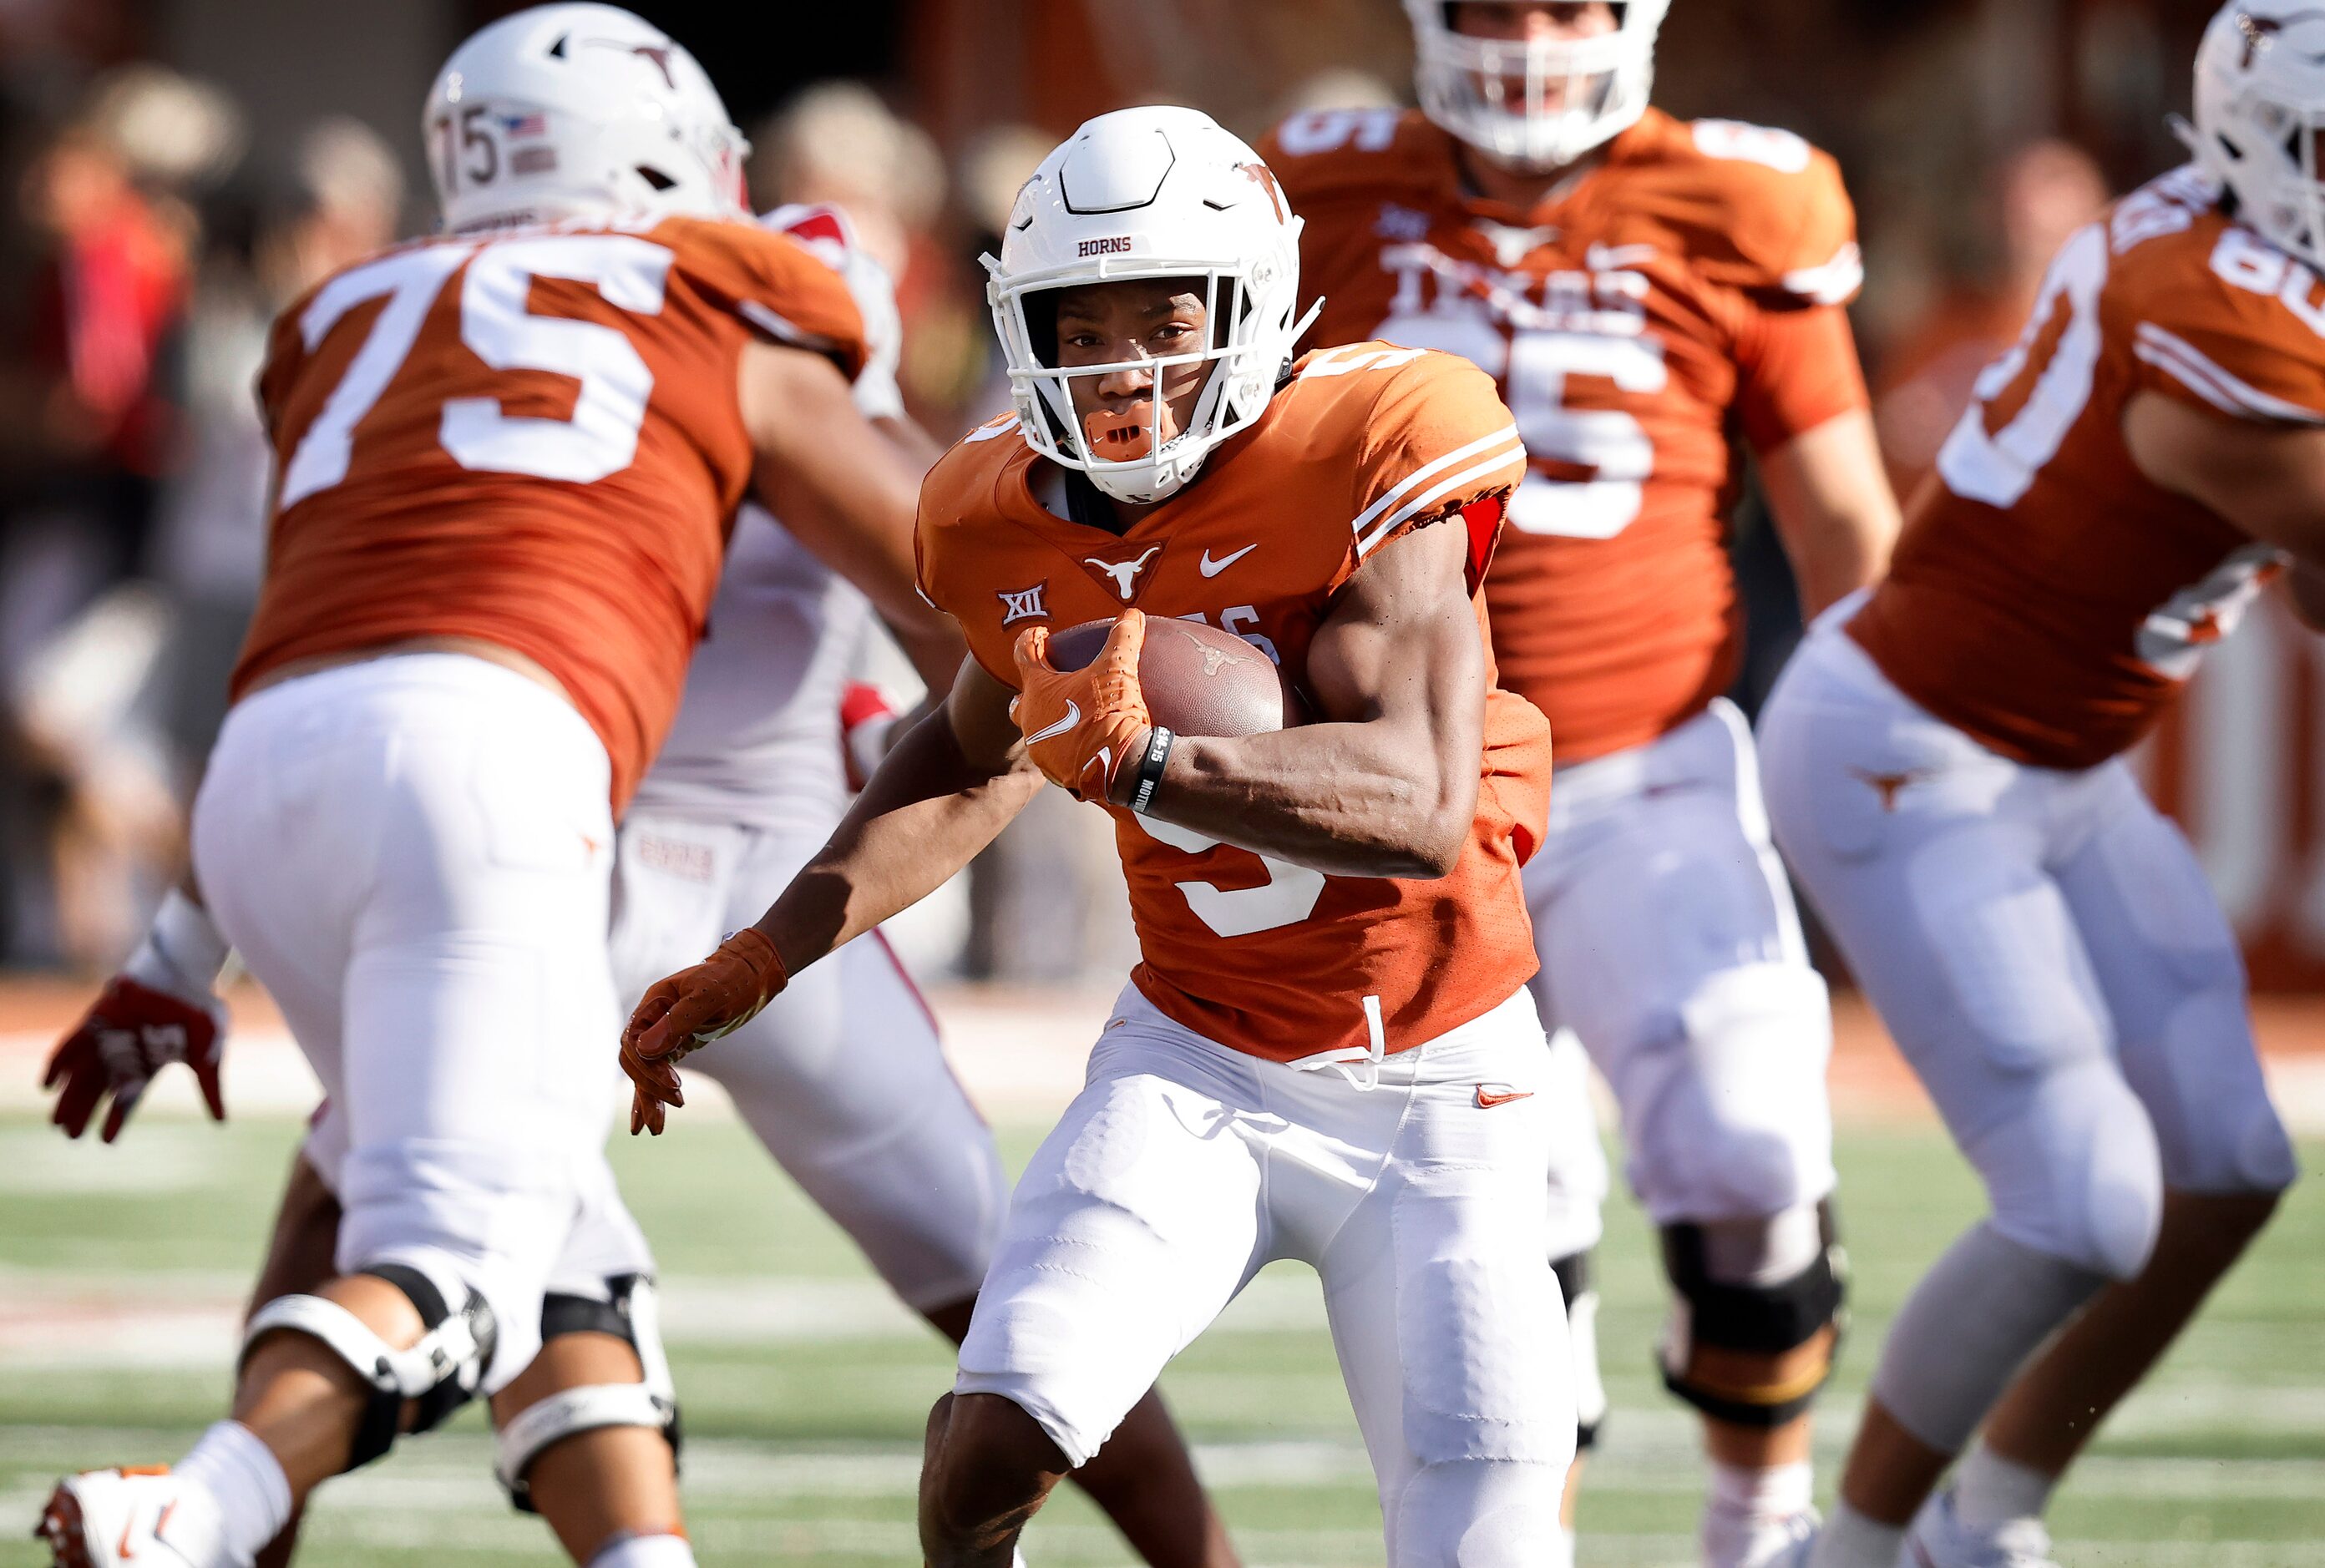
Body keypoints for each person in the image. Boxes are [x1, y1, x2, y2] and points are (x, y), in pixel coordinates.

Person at [29, 8, 937, 1565]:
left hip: (261, 781)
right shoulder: (718, 287)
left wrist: (178, 953)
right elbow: (935, 549)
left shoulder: (349, 309)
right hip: (488, 767)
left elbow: (331, 626)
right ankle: (196, 1508)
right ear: (656, 153)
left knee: (558, 1247)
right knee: (458, 1261)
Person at [621, 106, 1575, 1568]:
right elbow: (966, 748)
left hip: (1442, 1079)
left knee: (1482, 1541)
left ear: (1253, 304)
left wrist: (1150, 763)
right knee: (992, 1435)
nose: (1122, 363)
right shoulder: (988, 512)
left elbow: (1420, 799)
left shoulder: (1379, 436)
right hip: (1197, 1054)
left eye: (1166, 315)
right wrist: (767, 950)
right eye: (1081, 320)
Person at [1263, 6, 1902, 1564]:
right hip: (1424, 787)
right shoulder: (1320, 189)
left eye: (1568, 4)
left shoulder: (1742, 202)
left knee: (1754, 1150)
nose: (1530, 39)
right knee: (1490, 1211)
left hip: (1648, 768)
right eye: (1494, 3)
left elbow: (1844, 530)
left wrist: (1883, 763)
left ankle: (1760, 1525)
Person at [1757, 7, 2314, 1564]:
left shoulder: (2217, 233)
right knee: (2082, 1201)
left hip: (2052, 761)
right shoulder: (2229, 331)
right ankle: (1847, 1550)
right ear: (2269, 143)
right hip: (1910, 752)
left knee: (2227, 1167)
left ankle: (1983, 1513)